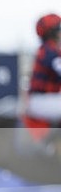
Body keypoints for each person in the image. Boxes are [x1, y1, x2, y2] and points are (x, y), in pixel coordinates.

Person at [23, 13, 61, 142]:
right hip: (39, 100)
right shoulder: (48, 51)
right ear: (53, 32)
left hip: (46, 99)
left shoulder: (52, 50)